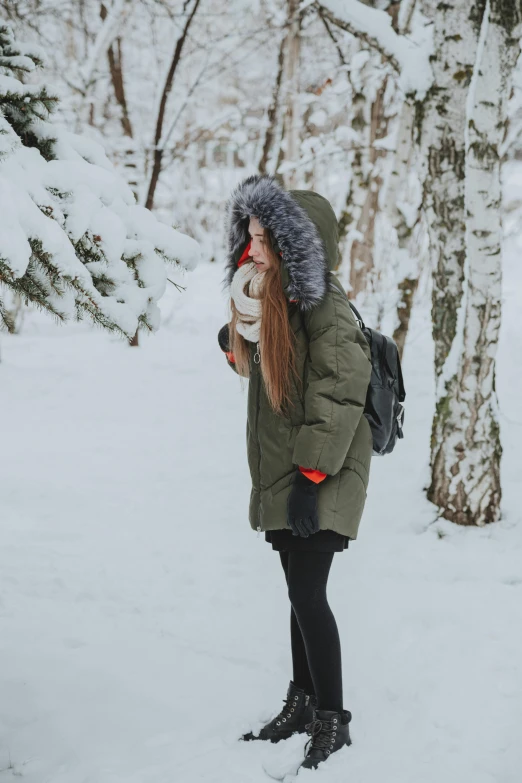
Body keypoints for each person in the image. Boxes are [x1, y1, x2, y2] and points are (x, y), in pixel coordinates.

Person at [218, 174, 372, 772]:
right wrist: (235, 348)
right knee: (297, 593)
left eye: (262, 238)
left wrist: (311, 479)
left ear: (291, 245)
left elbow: (340, 391)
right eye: (248, 236)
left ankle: (333, 718)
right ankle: (303, 702)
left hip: (322, 472)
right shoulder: (268, 298)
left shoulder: (322, 305)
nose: (250, 248)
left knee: (309, 593)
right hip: (289, 470)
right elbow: (268, 376)